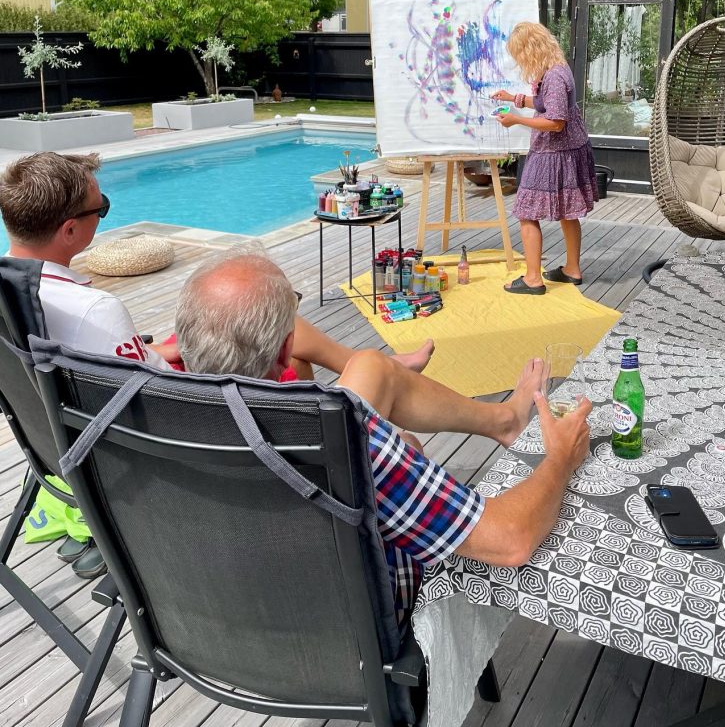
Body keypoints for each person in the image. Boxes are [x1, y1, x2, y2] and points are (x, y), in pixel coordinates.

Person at [176, 244, 592, 625]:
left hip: (224, 618)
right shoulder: (345, 439)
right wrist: (559, 458)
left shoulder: (155, 418)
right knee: (402, 446)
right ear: (286, 350)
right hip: (355, 620)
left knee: (381, 389)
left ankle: (492, 418)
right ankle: (495, 422)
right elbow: (510, 541)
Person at [0, 152, 435, 379]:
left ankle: (364, 366)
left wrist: (154, 351)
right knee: (264, 315)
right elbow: (156, 394)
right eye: (103, 209)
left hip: (77, 427)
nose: (103, 213)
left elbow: (123, 367)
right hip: (175, 428)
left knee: (269, 327)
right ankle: (366, 374)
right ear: (70, 231)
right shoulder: (94, 310)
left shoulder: (14, 292)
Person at [492, 21, 598, 294]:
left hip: (554, 153)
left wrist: (516, 120)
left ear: (529, 50)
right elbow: (545, 104)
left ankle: (532, 279)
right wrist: (514, 98)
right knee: (568, 212)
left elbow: (555, 122)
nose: (518, 60)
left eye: (519, 54)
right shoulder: (555, 68)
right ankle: (572, 269)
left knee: (526, 212)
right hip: (568, 150)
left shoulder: (553, 77)